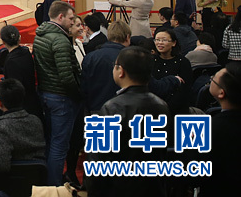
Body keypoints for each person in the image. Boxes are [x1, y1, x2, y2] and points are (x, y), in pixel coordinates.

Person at [85, 46, 169, 197]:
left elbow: (98, 162)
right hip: (153, 188)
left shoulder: (112, 108)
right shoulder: (161, 105)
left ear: (121, 71)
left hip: (118, 189)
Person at [33, 0, 81, 186]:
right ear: (61, 17)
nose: (72, 22)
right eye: (70, 18)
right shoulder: (60, 40)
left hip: (45, 93)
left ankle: (47, 182)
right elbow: (67, 77)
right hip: (61, 98)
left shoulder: (41, 34)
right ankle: (54, 186)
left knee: (51, 142)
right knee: (59, 146)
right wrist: (78, 94)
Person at [0, 79, 45, 174]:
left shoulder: (2, 126)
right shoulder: (36, 121)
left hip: (11, 178)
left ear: (0, 103)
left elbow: (1, 164)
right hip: (35, 177)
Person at [201, 62, 241, 196]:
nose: (211, 80)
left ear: (221, 93)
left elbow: (193, 176)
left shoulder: (210, 130)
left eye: (213, 79)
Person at [81, 21, 131, 113]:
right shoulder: (131, 58)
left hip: (96, 109)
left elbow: (84, 87)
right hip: (125, 110)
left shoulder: (91, 57)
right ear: (127, 37)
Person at [0, 25, 41, 117]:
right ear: (20, 38)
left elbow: (14, 89)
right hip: (33, 99)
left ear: (3, 41)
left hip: (21, 107)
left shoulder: (10, 61)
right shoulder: (26, 52)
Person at [151, 28, 192, 113]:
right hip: (154, 106)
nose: (160, 43)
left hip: (177, 108)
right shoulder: (150, 60)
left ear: (174, 43)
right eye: (157, 40)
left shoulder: (183, 62)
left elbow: (185, 89)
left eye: (164, 40)